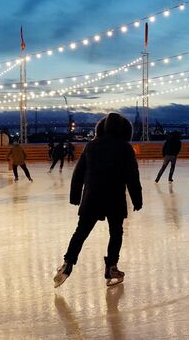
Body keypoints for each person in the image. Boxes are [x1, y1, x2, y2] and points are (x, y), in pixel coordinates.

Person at [54, 113, 142, 288]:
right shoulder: (125, 148)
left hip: (92, 197)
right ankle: (111, 267)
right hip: (115, 198)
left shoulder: (92, 146)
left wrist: (75, 196)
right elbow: (132, 176)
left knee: (81, 231)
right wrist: (137, 199)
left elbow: (78, 172)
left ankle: (67, 263)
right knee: (116, 233)